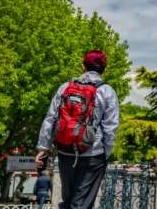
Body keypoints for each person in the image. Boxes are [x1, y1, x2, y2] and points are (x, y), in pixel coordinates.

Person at [36, 50, 120, 209]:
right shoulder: (108, 92)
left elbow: (51, 118)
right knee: (81, 203)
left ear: (83, 67)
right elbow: (111, 127)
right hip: (92, 154)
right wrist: (105, 152)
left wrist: (43, 147)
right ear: (104, 70)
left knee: (68, 200)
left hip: (65, 150)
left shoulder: (65, 87)